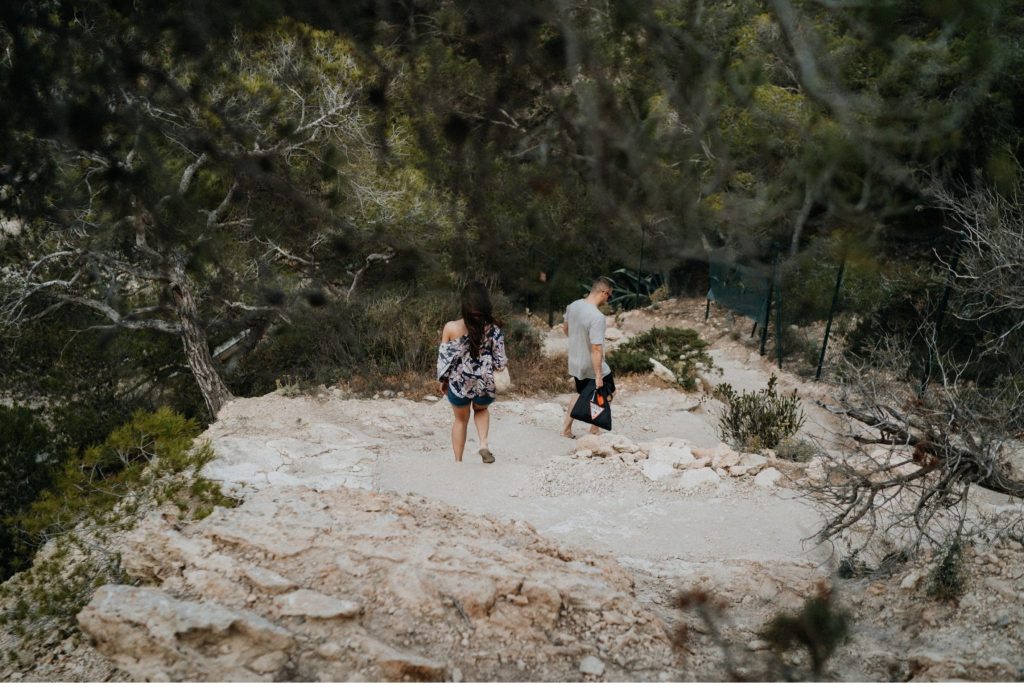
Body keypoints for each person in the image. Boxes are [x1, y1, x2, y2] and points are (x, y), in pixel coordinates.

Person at [437, 281, 508, 463]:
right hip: (485, 384)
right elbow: (500, 362)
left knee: (460, 421)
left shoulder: (451, 328)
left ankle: (458, 461)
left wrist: (443, 380)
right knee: (481, 410)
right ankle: (483, 445)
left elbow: (444, 360)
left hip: (460, 384)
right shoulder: (495, 330)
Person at [561, 276, 616, 438]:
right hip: (592, 365)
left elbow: (565, 329)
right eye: (610, 295)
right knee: (609, 391)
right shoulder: (597, 317)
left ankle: (566, 430)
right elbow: (596, 349)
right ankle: (594, 429)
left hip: (575, 362)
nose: (608, 299)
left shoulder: (573, 306)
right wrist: (598, 375)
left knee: (580, 394)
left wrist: (578, 340)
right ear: (604, 292)